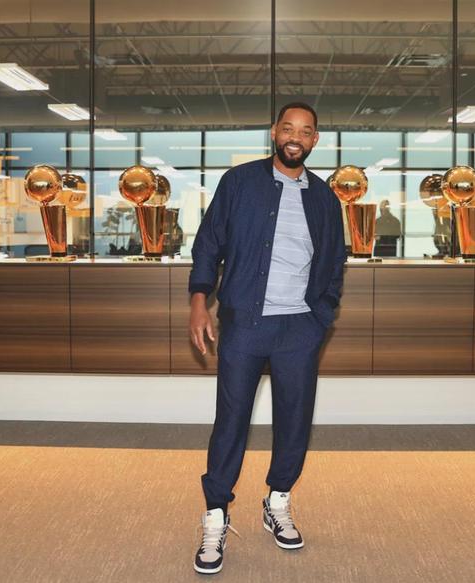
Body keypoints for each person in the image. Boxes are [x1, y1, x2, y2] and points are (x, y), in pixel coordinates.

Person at [188, 102, 346, 574]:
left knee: (295, 420)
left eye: (306, 131)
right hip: (245, 323)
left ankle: (278, 500)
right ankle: (216, 513)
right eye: (288, 128)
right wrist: (199, 300)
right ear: (274, 132)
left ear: (315, 140)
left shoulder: (325, 199)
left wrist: (321, 316)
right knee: (231, 420)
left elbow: (334, 262)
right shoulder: (239, 183)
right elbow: (208, 242)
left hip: (300, 327)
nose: (295, 137)